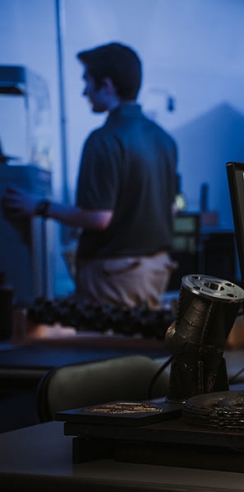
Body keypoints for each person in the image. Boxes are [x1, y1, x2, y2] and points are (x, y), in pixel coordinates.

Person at [2, 42, 178, 310]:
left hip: (115, 278)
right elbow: (172, 209)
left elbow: (98, 217)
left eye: (87, 82)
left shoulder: (104, 139)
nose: (85, 91)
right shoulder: (164, 139)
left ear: (106, 85)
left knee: (108, 349)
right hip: (156, 270)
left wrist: (39, 205)